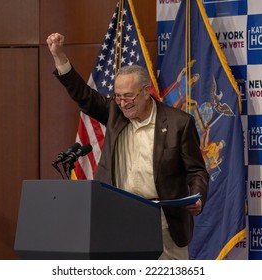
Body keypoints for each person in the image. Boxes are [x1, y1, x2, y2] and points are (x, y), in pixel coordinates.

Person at [46, 33, 209, 260]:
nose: (123, 103)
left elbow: (196, 170)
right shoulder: (115, 112)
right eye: (118, 96)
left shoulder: (179, 123)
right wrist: (59, 57)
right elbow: (83, 95)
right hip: (119, 217)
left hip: (163, 220)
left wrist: (198, 196)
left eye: (129, 96)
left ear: (146, 91)